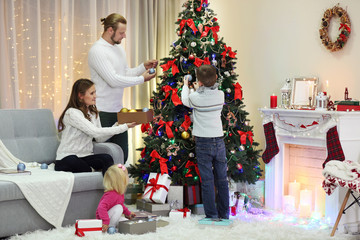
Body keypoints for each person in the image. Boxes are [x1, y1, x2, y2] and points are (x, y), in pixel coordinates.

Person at [88, 13, 158, 163]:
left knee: (122, 156)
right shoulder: (97, 50)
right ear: (110, 30)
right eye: (121, 32)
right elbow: (113, 80)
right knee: (105, 157)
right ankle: (106, 187)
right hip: (102, 111)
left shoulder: (118, 49)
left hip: (118, 110)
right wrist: (142, 79)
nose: (124, 36)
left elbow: (125, 73)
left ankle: (118, 187)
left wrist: (142, 67)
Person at [55, 78, 137, 175]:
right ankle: (90, 170)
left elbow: (99, 138)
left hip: (85, 157)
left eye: (95, 93)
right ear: (80, 96)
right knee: (73, 161)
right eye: (92, 93)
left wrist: (118, 124)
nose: (95, 96)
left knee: (107, 158)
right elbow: (94, 131)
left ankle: (109, 188)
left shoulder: (93, 113)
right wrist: (124, 127)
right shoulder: (72, 113)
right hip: (66, 157)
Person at [181, 65, 229, 219]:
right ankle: (224, 214)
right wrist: (200, 88)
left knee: (207, 181)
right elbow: (209, 93)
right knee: (222, 179)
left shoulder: (195, 98)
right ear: (216, 79)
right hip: (218, 141)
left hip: (202, 142)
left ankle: (211, 215)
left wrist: (186, 86)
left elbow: (185, 100)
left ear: (199, 81)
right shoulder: (220, 95)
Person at [96, 164, 136, 232]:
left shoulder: (119, 193)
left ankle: (114, 227)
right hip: (103, 220)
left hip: (110, 216)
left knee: (125, 221)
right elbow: (101, 208)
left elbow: (122, 206)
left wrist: (128, 213)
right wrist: (105, 221)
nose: (128, 177)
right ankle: (110, 227)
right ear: (120, 181)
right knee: (119, 207)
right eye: (126, 176)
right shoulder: (111, 195)